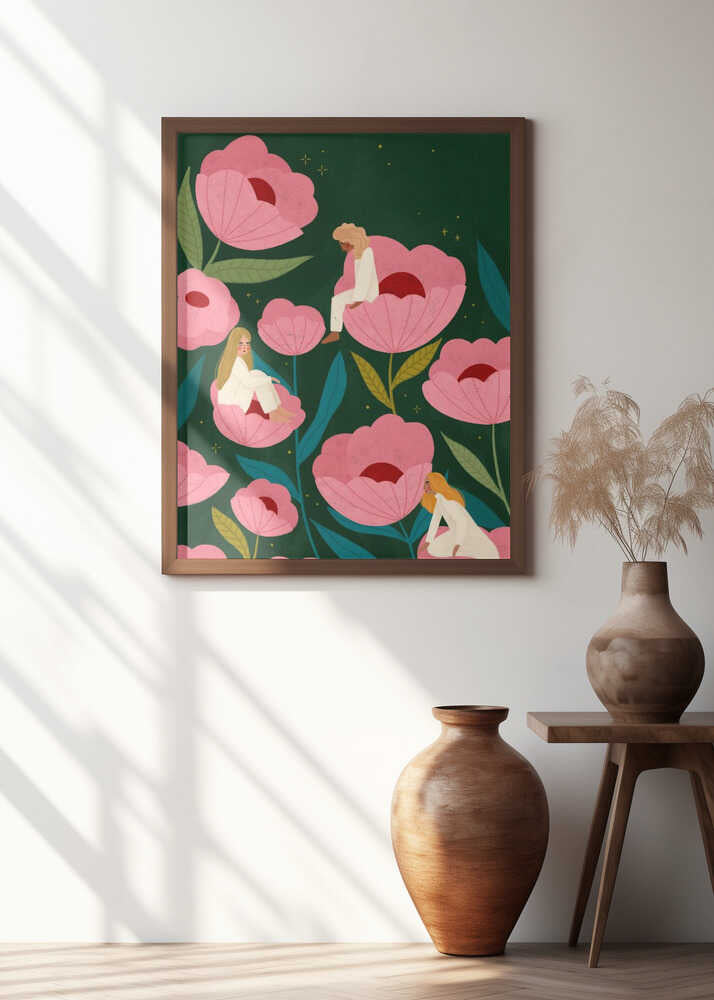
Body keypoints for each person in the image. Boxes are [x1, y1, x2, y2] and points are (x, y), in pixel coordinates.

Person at [216, 328, 292, 422]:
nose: (245, 346)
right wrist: (268, 379)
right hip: (233, 404)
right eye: (240, 343)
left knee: (257, 374)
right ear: (233, 344)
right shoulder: (235, 362)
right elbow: (248, 382)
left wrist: (266, 379)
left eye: (247, 343)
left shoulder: (236, 359)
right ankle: (273, 412)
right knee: (260, 379)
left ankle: (277, 409)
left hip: (234, 397)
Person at [321, 222, 379, 344]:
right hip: (361, 291)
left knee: (338, 300)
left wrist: (358, 299)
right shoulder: (359, 253)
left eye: (341, 243)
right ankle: (335, 332)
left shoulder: (366, 252)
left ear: (348, 242)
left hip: (368, 293)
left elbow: (365, 277)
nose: (341, 247)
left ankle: (335, 332)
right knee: (336, 300)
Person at [421, 473, 499, 558]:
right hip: (455, 533)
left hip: (467, 534)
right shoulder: (439, 500)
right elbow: (435, 521)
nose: (424, 486)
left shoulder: (449, 501)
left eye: (427, 482)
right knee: (433, 548)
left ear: (436, 483)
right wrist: (428, 541)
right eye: (424, 482)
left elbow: (462, 522)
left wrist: (458, 543)